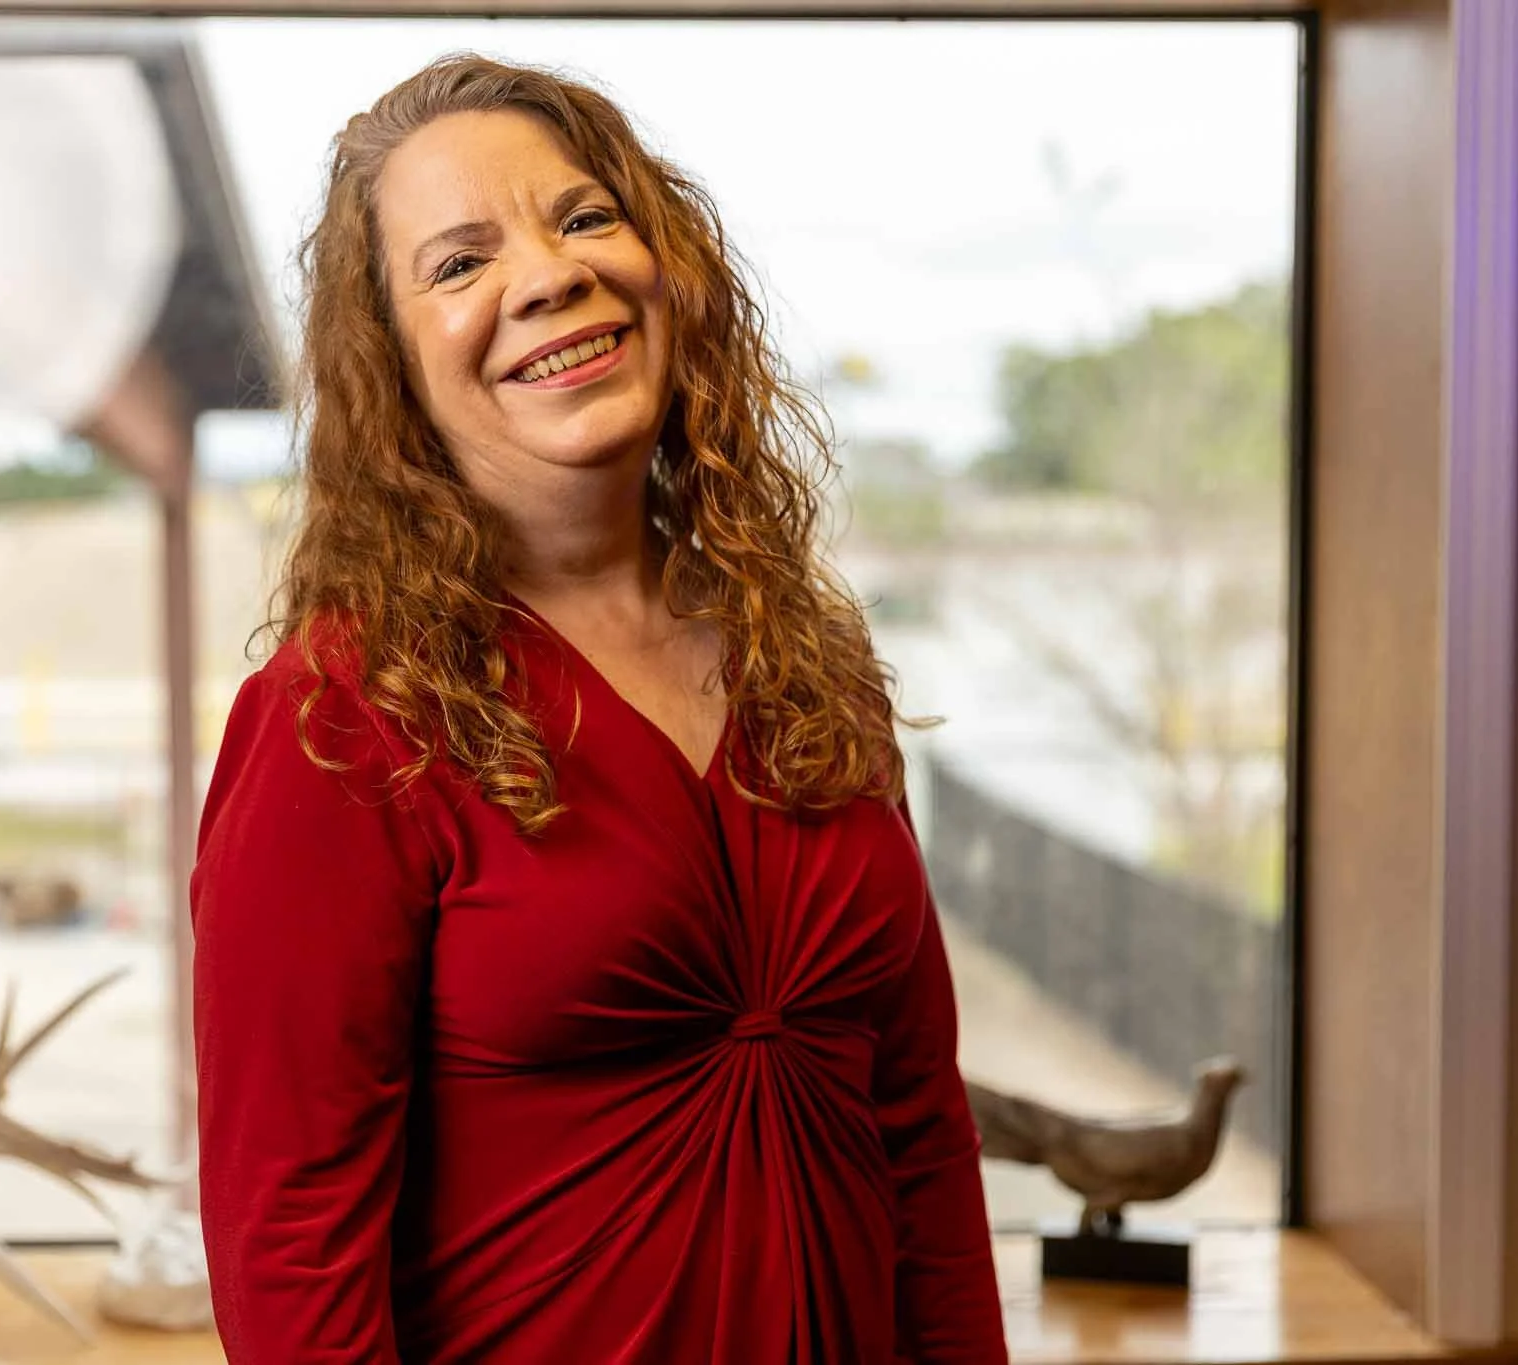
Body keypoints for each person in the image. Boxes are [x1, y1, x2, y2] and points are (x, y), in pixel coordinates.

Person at [191, 53, 1007, 1364]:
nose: (547, 275)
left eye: (583, 218)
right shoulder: (341, 720)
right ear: (391, 366)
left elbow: (919, 1132)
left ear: (665, 265)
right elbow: (291, 1240)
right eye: (458, 264)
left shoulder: (806, 656)